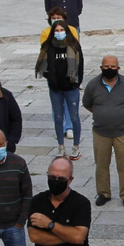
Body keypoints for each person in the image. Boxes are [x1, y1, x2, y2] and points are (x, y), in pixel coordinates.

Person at [83, 54, 124, 208]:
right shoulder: (92, 85)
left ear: (118, 68)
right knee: (101, 165)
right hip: (100, 133)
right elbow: (87, 104)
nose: (109, 69)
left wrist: (120, 114)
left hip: (123, 132)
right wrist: (102, 114)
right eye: (106, 67)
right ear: (101, 68)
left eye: (113, 67)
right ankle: (103, 193)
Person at [35, 17, 83, 160]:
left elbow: (80, 66)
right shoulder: (48, 47)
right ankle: (61, 146)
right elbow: (43, 66)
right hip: (55, 88)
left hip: (71, 87)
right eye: (57, 30)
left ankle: (76, 146)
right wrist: (51, 79)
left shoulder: (74, 46)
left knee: (74, 117)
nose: (59, 32)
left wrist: (76, 83)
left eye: (62, 30)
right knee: (58, 117)